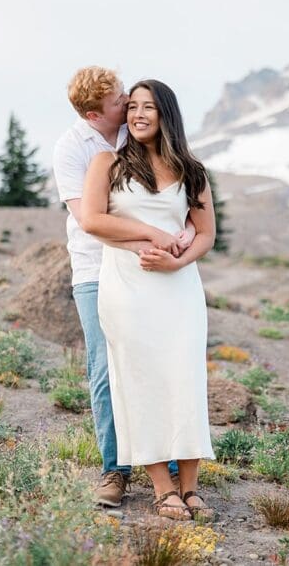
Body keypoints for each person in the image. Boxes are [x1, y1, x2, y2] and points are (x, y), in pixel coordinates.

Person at [52, 67, 193, 508]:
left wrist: (179, 241)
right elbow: (88, 220)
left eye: (129, 96)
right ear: (97, 114)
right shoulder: (75, 149)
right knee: (105, 369)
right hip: (98, 270)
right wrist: (154, 239)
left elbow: (180, 206)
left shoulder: (146, 140)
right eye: (120, 101)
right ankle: (115, 469)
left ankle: (168, 464)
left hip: (155, 271)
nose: (129, 101)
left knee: (158, 363)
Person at [80, 79, 217, 521]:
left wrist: (177, 263)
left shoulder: (192, 171)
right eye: (132, 107)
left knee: (185, 379)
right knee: (139, 382)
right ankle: (163, 489)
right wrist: (154, 235)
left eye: (149, 107)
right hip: (127, 287)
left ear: (166, 114)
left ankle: (192, 487)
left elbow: (206, 235)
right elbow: (92, 221)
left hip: (179, 290)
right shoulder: (108, 163)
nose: (138, 114)